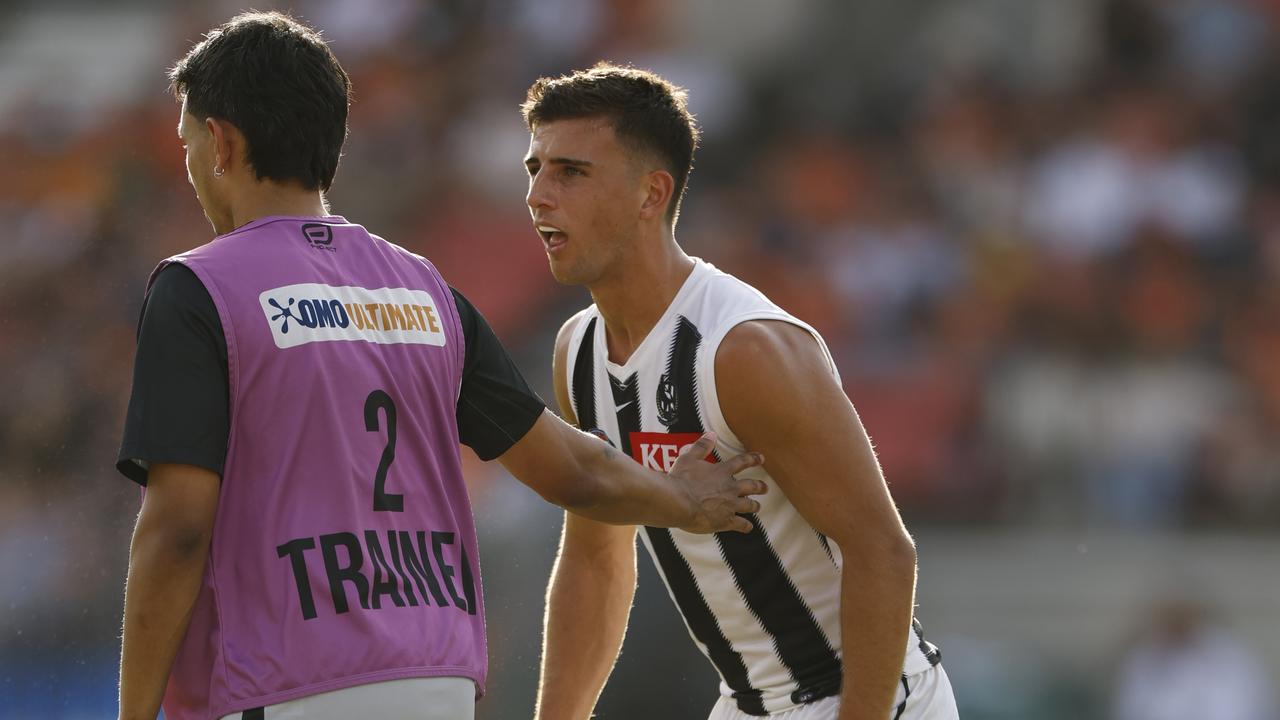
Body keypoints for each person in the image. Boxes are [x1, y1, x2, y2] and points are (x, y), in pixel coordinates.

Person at [115, 15, 766, 720]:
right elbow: (569, 469)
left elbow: (178, 528)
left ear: (221, 143)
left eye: (187, 143)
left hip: (282, 682)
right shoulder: (423, 289)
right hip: (437, 679)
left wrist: (134, 713)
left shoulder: (199, 289)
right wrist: (683, 498)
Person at [523, 64, 958, 720]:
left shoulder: (743, 350)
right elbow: (595, 562)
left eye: (571, 172)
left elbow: (882, 550)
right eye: (534, 168)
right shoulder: (577, 352)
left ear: (651, 194)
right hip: (746, 704)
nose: (537, 196)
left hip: (863, 699)